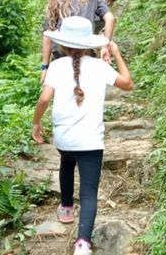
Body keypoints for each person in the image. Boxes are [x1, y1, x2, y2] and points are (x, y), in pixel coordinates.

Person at [32, 16, 134, 255]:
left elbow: (45, 98)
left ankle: (66, 208)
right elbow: (128, 84)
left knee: (66, 161)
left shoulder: (56, 66)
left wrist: (36, 122)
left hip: (64, 139)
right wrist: (116, 53)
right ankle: (83, 243)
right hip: (90, 141)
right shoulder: (100, 67)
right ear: (90, 43)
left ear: (63, 44)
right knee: (89, 192)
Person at [41, 0, 115, 82]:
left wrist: (45, 67)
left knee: (63, 84)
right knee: (85, 83)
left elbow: (48, 34)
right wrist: (105, 46)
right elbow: (110, 18)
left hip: (61, 49)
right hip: (85, 47)